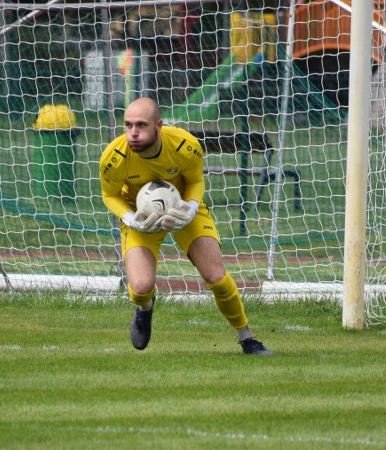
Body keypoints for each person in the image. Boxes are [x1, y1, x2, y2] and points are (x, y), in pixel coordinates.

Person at [99, 97, 273, 356]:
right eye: (128, 125)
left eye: (141, 125)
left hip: (183, 208)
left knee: (215, 275)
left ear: (159, 125)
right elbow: (110, 195)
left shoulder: (185, 145)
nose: (133, 133)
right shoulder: (114, 157)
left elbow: (194, 181)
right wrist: (129, 218)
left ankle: (247, 338)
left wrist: (191, 208)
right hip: (140, 216)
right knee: (140, 288)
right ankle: (145, 308)